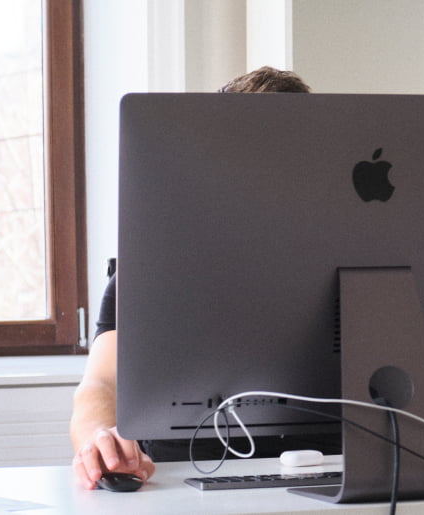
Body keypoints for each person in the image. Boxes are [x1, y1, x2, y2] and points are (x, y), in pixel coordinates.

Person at [70, 66, 311, 490]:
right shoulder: (149, 268)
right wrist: (98, 435)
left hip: (334, 475)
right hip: (179, 482)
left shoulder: (368, 263)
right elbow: (101, 382)